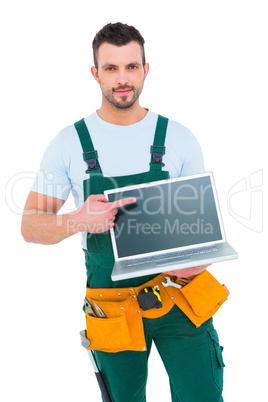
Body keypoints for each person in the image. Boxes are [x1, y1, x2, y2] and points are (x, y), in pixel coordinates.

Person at [21, 23, 225, 402]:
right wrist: (78, 220)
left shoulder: (179, 137)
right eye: (111, 68)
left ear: (146, 70)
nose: (122, 79)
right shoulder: (69, 143)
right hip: (111, 304)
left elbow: (203, 231)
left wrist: (199, 260)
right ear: (96, 74)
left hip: (180, 295)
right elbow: (30, 226)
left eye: (131, 66)